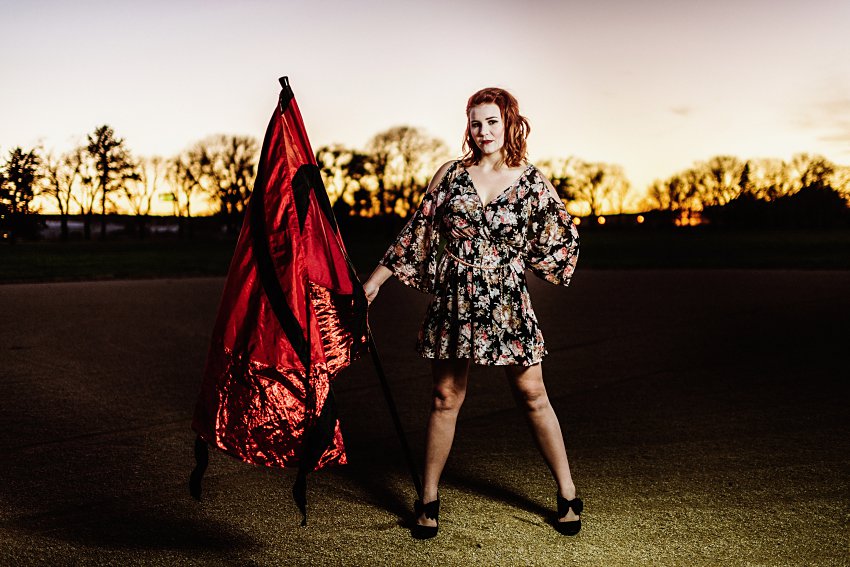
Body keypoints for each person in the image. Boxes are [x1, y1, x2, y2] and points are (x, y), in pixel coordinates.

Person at [363, 87, 582, 539]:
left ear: (511, 123)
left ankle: (567, 494)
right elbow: (417, 232)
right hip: (455, 300)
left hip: (506, 303)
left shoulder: (532, 180)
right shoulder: (449, 175)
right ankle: (427, 499)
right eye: (476, 122)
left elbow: (562, 236)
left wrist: (524, 261)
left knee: (533, 394)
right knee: (445, 397)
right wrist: (375, 281)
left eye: (493, 121)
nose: (484, 131)